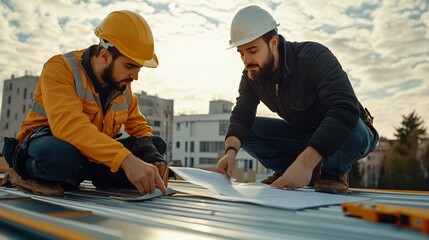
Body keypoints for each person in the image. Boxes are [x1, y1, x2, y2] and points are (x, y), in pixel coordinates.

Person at [1, 10, 168, 196]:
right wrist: (126, 160)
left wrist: (150, 155)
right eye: (129, 66)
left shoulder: (121, 84)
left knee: (156, 146)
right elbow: (68, 126)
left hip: (90, 155)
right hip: (49, 145)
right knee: (58, 157)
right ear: (104, 56)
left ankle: (85, 175)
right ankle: (23, 174)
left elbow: (138, 127)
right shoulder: (60, 69)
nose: (135, 77)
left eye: (138, 69)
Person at [216, 5, 379, 194]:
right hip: (306, 136)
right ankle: (289, 171)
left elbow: (344, 109)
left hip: (353, 132)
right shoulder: (252, 74)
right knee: (245, 131)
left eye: (252, 51)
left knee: (350, 126)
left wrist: (305, 163)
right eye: (241, 53)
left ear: (274, 43)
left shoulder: (314, 57)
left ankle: (332, 173)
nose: (246, 60)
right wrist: (230, 152)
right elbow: (242, 114)